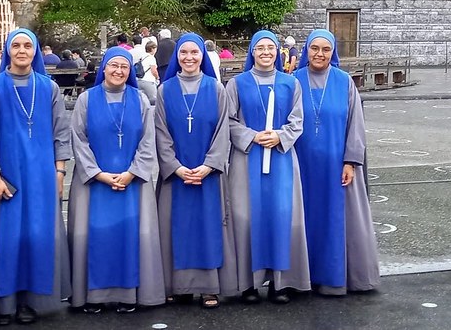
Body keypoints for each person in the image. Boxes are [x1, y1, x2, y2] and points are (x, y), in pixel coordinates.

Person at [0, 28, 72, 325]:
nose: (22, 50)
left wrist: (59, 172)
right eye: (16, 45)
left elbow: (60, 132)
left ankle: (30, 302)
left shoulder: (49, 87)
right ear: (7, 50)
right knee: (6, 237)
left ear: (34, 51)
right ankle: (5, 304)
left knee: (37, 235)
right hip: (7, 174)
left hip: (42, 174)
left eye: (27, 45)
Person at [68, 47, 164, 314]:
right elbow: (79, 139)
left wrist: (132, 172)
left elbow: (148, 139)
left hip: (131, 181)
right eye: (114, 66)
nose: (119, 71)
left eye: (124, 67)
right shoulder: (87, 100)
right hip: (95, 183)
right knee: (96, 236)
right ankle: (94, 296)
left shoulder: (141, 100)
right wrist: (98, 174)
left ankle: (127, 295)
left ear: (130, 71)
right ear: (103, 69)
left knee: (130, 236)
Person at [224, 30, 310, 304]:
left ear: (278, 52)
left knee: (281, 217)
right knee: (246, 217)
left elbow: (297, 120)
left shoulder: (290, 83)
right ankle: (247, 284)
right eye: (259, 48)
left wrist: (280, 136)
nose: (265, 52)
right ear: (252, 52)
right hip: (246, 157)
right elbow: (228, 120)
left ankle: (279, 283)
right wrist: (251, 136)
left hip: (281, 159)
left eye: (270, 48)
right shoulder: (237, 84)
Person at [294, 29, 380, 296]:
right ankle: (302, 279)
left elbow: (356, 124)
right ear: (306, 50)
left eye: (326, 49)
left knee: (336, 219)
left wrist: (351, 161)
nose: (320, 54)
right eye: (314, 48)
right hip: (301, 166)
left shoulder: (344, 82)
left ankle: (334, 278)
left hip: (337, 166)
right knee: (303, 219)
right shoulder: (293, 81)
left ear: (333, 53)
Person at [154, 33, 233, 309]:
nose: (189, 57)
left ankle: (208, 287)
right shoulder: (164, 91)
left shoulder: (216, 89)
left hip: (206, 174)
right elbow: (160, 133)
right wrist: (175, 168)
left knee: (207, 227)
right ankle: (177, 287)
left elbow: (224, 131)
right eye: (183, 53)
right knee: (174, 228)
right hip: (175, 178)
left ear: (203, 56)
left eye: (194, 53)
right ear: (177, 57)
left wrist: (209, 165)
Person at [137, 41, 159, 105]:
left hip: (140, 80)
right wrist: (157, 77)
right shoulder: (151, 58)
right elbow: (153, 70)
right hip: (149, 81)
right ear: (152, 49)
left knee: (142, 101)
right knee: (153, 101)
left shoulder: (142, 57)